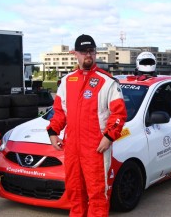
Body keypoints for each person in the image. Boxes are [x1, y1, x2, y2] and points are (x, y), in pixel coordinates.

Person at [47, 34, 127, 217]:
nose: (88, 55)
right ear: (76, 54)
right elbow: (60, 112)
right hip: (72, 148)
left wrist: (108, 137)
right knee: (75, 193)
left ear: (95, 53)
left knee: (98, 195)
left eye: (91, 51)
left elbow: (119, 114)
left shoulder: (108, 82)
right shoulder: (67, 81)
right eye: (83, 51)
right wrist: (53, 132)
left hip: (96, 148)